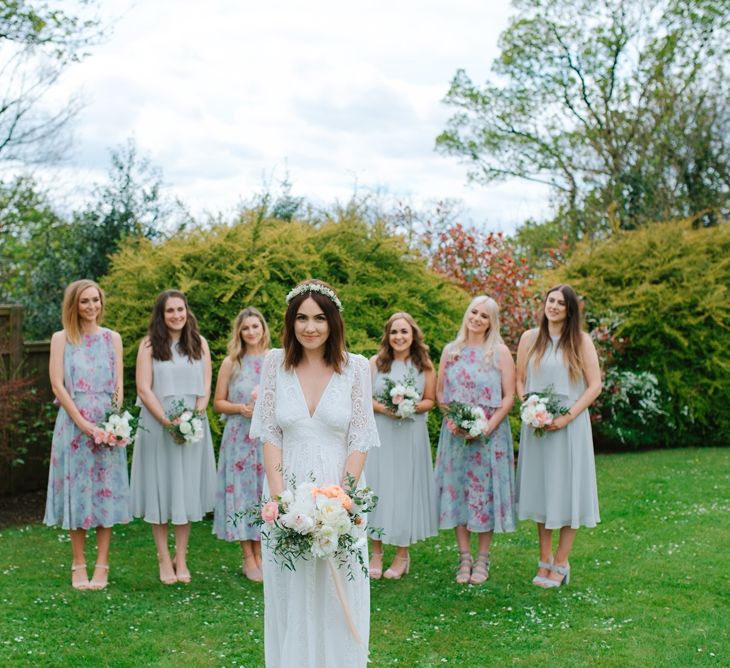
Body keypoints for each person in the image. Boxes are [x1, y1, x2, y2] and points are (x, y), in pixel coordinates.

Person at [250, 279, 379, 668]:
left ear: (333, 321)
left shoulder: (356, 368)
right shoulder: (275, 363)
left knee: (339, 588)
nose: (310, 327)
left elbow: (359, 438)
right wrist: (280, 500)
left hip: (338, 488)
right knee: (292, 587)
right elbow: (270, 433)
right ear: (291, 322)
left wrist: (341, 500)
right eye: (302, 318)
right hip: (286, 487)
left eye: (319, 318)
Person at [44, 279, 130, 590]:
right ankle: (78, 562)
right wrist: (83, 424)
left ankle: (102, 564)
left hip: (107, 429)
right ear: (74, 305)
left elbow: (118, 384)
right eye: (84, 301)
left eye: (95, 300)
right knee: (78, 493)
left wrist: (113, 423)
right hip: (73, 425)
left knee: (105, 494)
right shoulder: (61, 339)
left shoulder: (112, 338)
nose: (91, 306)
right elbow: (57, 385)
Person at [515, 284, 602, 588]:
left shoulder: (580, 340)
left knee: (566, 491)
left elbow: (594, 385)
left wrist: (567, 416)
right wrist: (530, 408)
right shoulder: (530, 339)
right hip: (537, 426)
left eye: (560, 304)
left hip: (570, 425)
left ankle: (562, 561)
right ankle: (544, 558)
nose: (553, 307)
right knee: (542, 490)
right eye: (550, 301)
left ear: (569, 310)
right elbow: (520, 379)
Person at [129, 289, 217, 584]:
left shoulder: (199, 344)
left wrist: (191, 420)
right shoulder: (149, 346)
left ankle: (182, 556)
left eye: (180, 309)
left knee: (184, 490)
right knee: (160, 489)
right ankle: (163, 558)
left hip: (191, 429)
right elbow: (143, 388)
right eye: (170, 311)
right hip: (158, 427)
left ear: (187, 311)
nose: (176, 315)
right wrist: (168, 422)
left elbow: (205, 388)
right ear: (161, 315)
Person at [434, 295, 517, 585]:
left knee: (484, 495)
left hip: (489, 439)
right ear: (466, 314)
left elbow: (509, 397)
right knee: (459, 492)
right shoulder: (451, 351)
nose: (477, 318)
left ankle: (483, 559)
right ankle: (464, 558)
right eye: (474, 312)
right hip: (456, 436)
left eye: (484, 315)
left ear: (491, 322)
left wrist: (486, 427)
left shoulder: (500, 353)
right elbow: (440, 394)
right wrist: (453, 419)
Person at [366, 312, 438, 580]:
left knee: (405, 490)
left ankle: (401, 555)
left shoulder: (425, 367)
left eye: (404, 332)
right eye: (394, 332)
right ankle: (376, 552)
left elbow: (431, 400)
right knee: (378, 487)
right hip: (382, 432)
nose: (399, 337)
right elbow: (363, 398)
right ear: (387, 336)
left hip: (410, 434)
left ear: (413, 335)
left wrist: (408, 407)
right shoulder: (376, 363)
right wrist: (387, 408)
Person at [212, 307, 269, 582]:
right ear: (240, 332)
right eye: (246, 328)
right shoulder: (231, 363)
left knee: (263, 494)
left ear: (263, 329)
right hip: (239, 438)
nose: (251, 332)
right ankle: (248, 556)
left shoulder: (274, 360)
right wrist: (239, 408)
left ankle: (262, 554)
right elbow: (218, 402)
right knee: (242, 496)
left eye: (255, 327)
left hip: (266, 440)